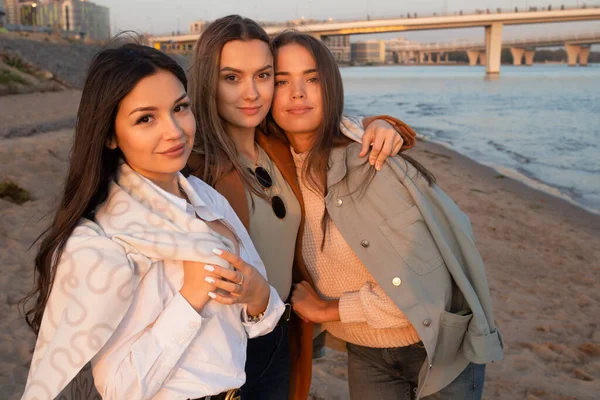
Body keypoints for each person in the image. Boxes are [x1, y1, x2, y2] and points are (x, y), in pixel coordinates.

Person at [21, 43, 285, 400]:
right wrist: (190, 298)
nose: (174, 131)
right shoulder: (102, 243)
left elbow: (262, 320)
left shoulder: (206, 200)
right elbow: (117, 390)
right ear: (111, 134)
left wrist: (256, 295)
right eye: (146, 118)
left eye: (180, 108)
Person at [185, 15, 415, 400]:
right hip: (222, 347)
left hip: (281, 336)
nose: (251, 93)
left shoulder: (277, 144)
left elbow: (331, 124)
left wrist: (383, 124)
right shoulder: (194, 167)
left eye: (263, 76)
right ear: (208, 81)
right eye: (232, 78)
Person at [266, 31, 504, 399]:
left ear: (330, 85)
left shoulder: (371, 161)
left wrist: (328, 309)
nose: (298, 92)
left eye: (312, 79)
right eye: (282, 81)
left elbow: (422, 294)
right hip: (365, 349)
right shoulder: (270, 168)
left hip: (435, 347)